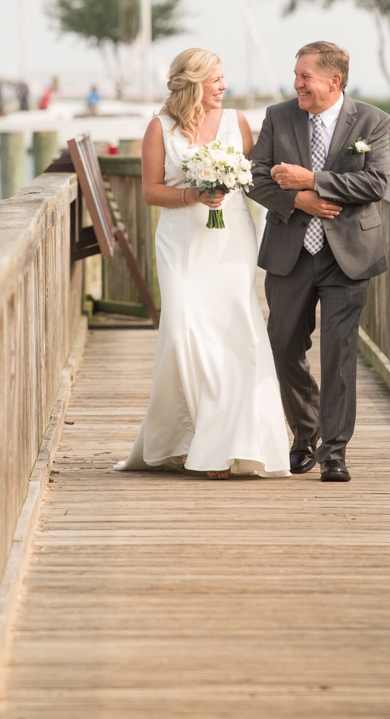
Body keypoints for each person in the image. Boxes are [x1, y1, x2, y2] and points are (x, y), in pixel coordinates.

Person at [114, 48, 291, 479]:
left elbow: (254, 180)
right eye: (216, 79)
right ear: (193, 83)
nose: (223, 86)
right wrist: (194, 194)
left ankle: (222, 446)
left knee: (234, 330)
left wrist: (298, 199)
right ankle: (184, 439)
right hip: (181, 241)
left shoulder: (237, 123)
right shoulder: (160, 128)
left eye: (223, 78)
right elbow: (152, 192)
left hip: (230, 238)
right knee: (181, 332)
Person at [247, 41, 390, 483]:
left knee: (340, 352)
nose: (297, 84)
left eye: (305, 77)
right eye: (296, 76)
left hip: (347, 254)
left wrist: (312, 179)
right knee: (284, 345)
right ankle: (304, 432)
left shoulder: (373, 121)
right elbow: (256, 180)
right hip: (290, 251)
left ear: (335, 80)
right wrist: (301, 199)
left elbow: (376, 182)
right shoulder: (278, 116)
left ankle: (334, 451)